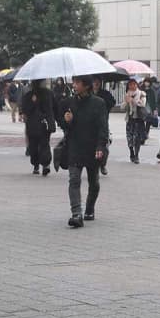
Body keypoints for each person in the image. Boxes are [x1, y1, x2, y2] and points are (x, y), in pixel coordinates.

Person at [61, 76, 109, 228]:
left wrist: (101, 146)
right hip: (74, 146)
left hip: (92, 147)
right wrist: (67, 121)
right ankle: (76, 213)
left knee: (93, 181)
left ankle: (89, 208)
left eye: (77, 83)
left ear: (87, 86)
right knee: (74, 179)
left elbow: (103, 127)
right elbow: (66, 127)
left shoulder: (98, 103)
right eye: (73, 82)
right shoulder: (69, 103)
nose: (74, 85)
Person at [21, 80, 56, 175]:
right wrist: (33, 102)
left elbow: (54, 107)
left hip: (42, 123)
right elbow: (24, 110)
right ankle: (38, 164)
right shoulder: (29, 96)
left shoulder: (48, 94)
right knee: (36, 145)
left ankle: (44, 164)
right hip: (36, 123)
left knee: (42, 144)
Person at [92, 77, 116, 175]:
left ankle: (102, 164)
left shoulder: (105, 94)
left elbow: (112, 103)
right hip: (90, 124)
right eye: (94, 81)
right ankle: (93, 166)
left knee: (104, 144)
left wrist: (103, 103)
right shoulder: (88, 93)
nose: (96, 83)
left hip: (103, 122)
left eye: (98, 82)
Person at [121, 78, 148, 164]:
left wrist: (133, 100)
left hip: (138, 119)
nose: (132, 86)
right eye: (130, 84)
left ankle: (136, 155)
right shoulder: (127, 94)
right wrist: (126, 101)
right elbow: (122, 107)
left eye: (134, 84)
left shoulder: (141, 94)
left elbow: (142, 104)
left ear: (136, 85)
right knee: (129, 137)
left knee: (137, 138)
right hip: (129, 119)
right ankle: (131, 152)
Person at [142, 78, 157, 143]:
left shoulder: (152, 91)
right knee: (142, 121)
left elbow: (154, 101)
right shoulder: (141, 90)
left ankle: (146, 133)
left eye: (148, 82)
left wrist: (154, 109)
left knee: (148, 121)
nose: (146, 83)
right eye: (145, 82)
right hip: (142, 107)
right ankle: (143, 134)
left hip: (149, 108)